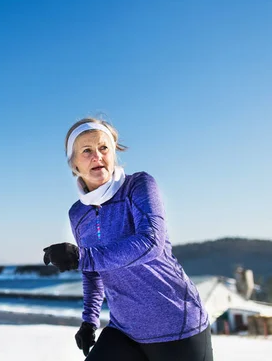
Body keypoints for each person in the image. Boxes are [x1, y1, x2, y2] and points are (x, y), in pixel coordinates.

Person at [42, 117, 214, 361]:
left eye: (103, 148)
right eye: (86, 151)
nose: (97, 156)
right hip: (125, 330)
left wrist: (81, 256)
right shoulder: (78, 213)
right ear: (74, 165)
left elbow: (151, 243)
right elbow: (92, 270)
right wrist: (89, 321)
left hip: (177, 325)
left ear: (114, 153)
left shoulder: (138, 186)